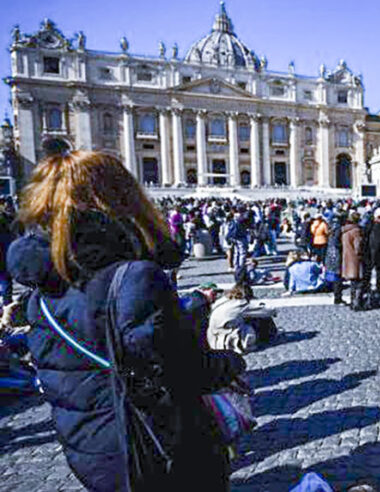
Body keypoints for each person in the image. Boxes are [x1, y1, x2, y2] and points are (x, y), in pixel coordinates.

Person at [7, 150, 245, 491]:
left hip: (89, 447)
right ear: (122, 198)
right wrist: (231, 363)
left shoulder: (44, 287)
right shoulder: (133, 277)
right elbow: (184, 369)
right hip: (151, 446)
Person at [362, 207, 380, 309]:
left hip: (371, 257)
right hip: (378, 258)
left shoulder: (368, 226)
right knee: (378, 279)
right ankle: (376, 298)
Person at [341, 212, 364, 311]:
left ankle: (352, 301)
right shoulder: (355, 231)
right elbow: (358, 246)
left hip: (347, 258)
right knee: (358, 282)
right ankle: (356, 303)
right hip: (355, 259)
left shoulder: (345, 231)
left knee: (352, 283)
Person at [324, 212, 345, 305]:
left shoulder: (331, 227)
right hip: (336, 254)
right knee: (338, 277)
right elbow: (337, 242)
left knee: (335, 276)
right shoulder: (338, 228)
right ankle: (338, 297)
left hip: (330, 253)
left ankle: (336, 295)